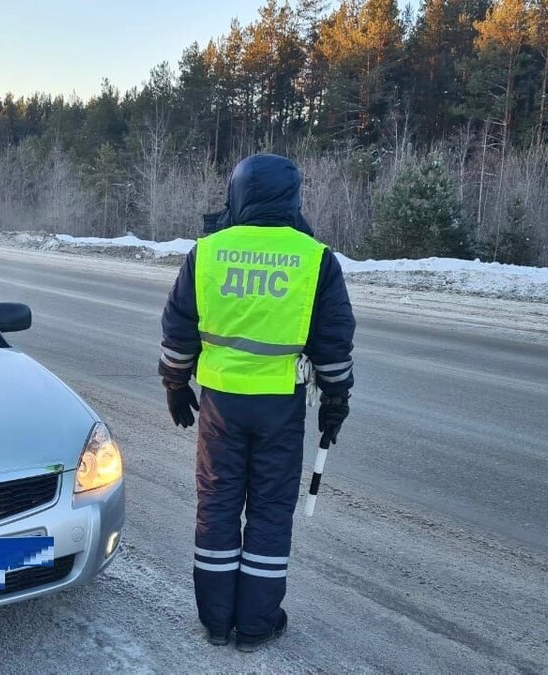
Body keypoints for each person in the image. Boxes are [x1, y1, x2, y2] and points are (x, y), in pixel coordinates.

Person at [159, 153, 355, 652]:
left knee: (218, 508)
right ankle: (256, 625)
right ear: (293, 198)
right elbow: (332, 340)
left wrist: (176, 385)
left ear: (237, 193)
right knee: (269, 512)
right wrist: (335, 400)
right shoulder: (314, 258)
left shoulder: (208, 252)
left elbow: (179, 328)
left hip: (220, 406)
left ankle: (217, 623)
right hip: (280, 406)